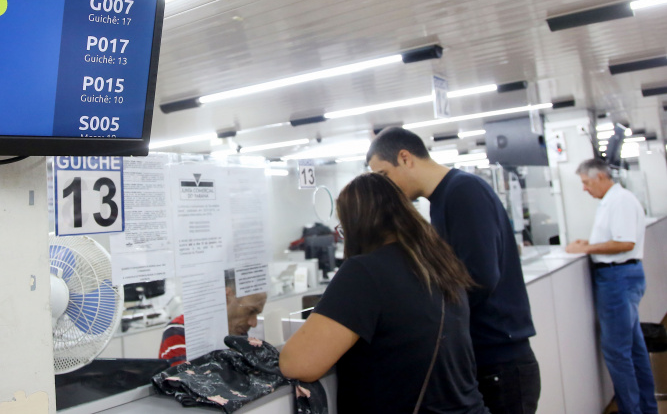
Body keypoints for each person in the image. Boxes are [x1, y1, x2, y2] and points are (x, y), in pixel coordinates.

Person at [280, 173, 488, 413]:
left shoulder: (364, 272)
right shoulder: (440, 264)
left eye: (343, 228)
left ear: (356, 224)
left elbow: (298, 364)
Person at [366, 127, 540, 414]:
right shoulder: (443, 200)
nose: (387, 190)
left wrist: (427, 317)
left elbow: (478, 278)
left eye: (385, 176)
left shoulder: (463, 192)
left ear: (405, 158)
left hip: (500, 361)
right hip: (486, 358)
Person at [565, 158, 657, 414]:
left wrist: (587, 248)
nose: (584, 188)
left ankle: (632, 410)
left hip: (618, 278)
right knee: (635, 349)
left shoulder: (620, 201)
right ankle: (647, 409)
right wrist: (591, 243)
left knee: (617, 352)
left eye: (586, 182)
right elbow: (616, 239)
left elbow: (625, 243)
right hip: (621, 277)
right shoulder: (613, 201)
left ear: (601, 177)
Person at [158, 269, 267, 366]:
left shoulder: (236, 333)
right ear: (225, 297)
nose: (253, 323)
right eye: (250, 311)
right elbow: (187, 383)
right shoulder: (182, 332)